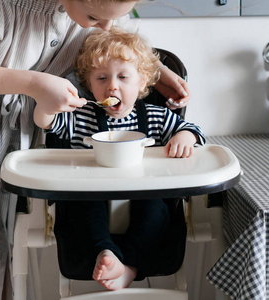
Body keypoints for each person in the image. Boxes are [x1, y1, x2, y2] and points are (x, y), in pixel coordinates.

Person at [0, 0, 191, 299]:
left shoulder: (92, 13)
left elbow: (109, 35)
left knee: (9, 252)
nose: (105, 27)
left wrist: (158, 71)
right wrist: (34, 83)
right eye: (95, 16)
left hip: (24, 141)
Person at [33, 26, 206, 290]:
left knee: (157, 211)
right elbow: (48, 123)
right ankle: (106, 252)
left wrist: (185, 137)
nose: (112, 85)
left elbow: (193, 131)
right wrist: (46, 105)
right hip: (93, 195)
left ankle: (129, 267)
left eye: (123, 77)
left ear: (143, 81)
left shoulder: (156, 116)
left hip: (145, 197)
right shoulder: (82, 118)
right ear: (88, 84)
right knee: (82, 208)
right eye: (101, 78)